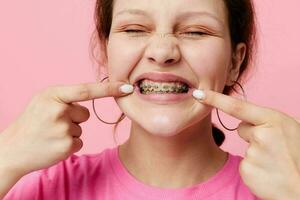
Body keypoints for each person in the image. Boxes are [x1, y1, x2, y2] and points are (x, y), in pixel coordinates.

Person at [0, 0, 299, 199]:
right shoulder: (44, 187)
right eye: (134, 29)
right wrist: (6, 157)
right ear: (106, 53)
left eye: (195, 31)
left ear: (234, 62)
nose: (163, 51)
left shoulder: (281, 187)